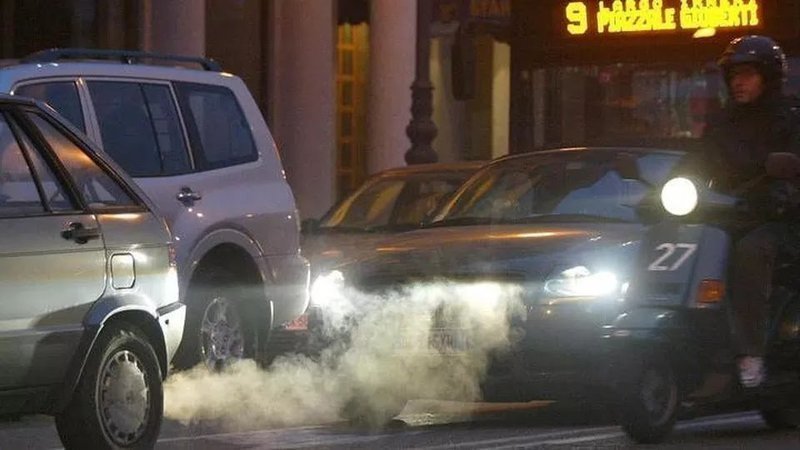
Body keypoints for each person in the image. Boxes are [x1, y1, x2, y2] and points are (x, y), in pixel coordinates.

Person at [701, 35, 800, 388]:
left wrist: (784, 193)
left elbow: (793, 168)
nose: (738, 82)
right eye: (733, 75)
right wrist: (658, 190)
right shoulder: (721, 123)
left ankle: (751, 352)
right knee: (690, 245)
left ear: (768, 77)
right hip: (729, 217)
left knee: (751, 249)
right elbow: (695, 164)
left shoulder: (791, 119)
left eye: (747, 74)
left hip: (782, 222)